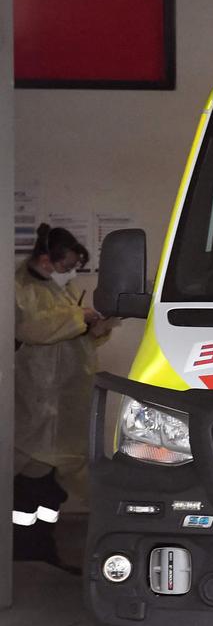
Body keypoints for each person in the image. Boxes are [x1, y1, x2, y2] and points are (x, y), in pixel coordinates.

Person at [12, 224, 114, 569]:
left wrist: (97, 328)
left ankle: (41, 547)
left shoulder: (62, 289)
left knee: (51, 486)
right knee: (31, 482)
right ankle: (26, 550)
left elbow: (74, 339)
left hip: (64, 400)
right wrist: (78, 316)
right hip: (38, 401)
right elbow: (33, 328)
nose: (71, 272)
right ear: (45, 260)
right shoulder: (19, 289)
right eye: (67, 264)